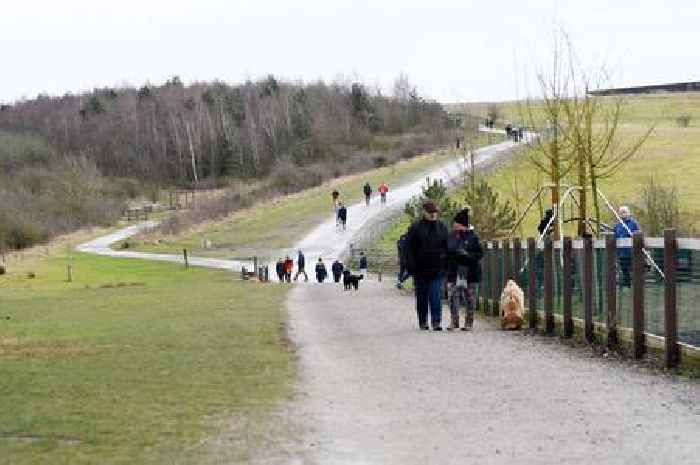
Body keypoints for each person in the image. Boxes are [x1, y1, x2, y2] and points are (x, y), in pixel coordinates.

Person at [405, 200, 449, 331]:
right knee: (422, 298)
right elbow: (408, 249)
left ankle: (436, 322)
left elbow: (448, 248)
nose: (433, 215)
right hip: (420, 270)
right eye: (431, 212)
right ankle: (423, 320)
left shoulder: (442, 228)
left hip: (437, 270)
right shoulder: (415, 228)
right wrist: (410, 266)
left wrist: (446, 265)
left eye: (435, 212)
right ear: (424, 212)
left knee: (436, 296)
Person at [446, 208, 483, 331]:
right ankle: (454, 321)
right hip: (453, 271)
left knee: (470, 299)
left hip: (470, 273)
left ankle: (469, 323)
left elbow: (480, 254)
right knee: (452, 297)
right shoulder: (450, 236)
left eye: (456, 223)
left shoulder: (473, 237)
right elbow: (446, 251)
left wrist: (467, 255)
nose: (454, 225)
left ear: (462, 225)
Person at [614, 205, 640, 287]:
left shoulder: (633, 223)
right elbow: (615, 236)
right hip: (622, 253)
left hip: (632, 252)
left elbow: (638, 234)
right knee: (625, 271)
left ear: (628, 213)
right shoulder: (617, 225)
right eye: (621, 212)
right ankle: (627, 286)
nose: (622, 214)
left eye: (624, 212)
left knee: (634, 271)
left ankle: (636, 287)